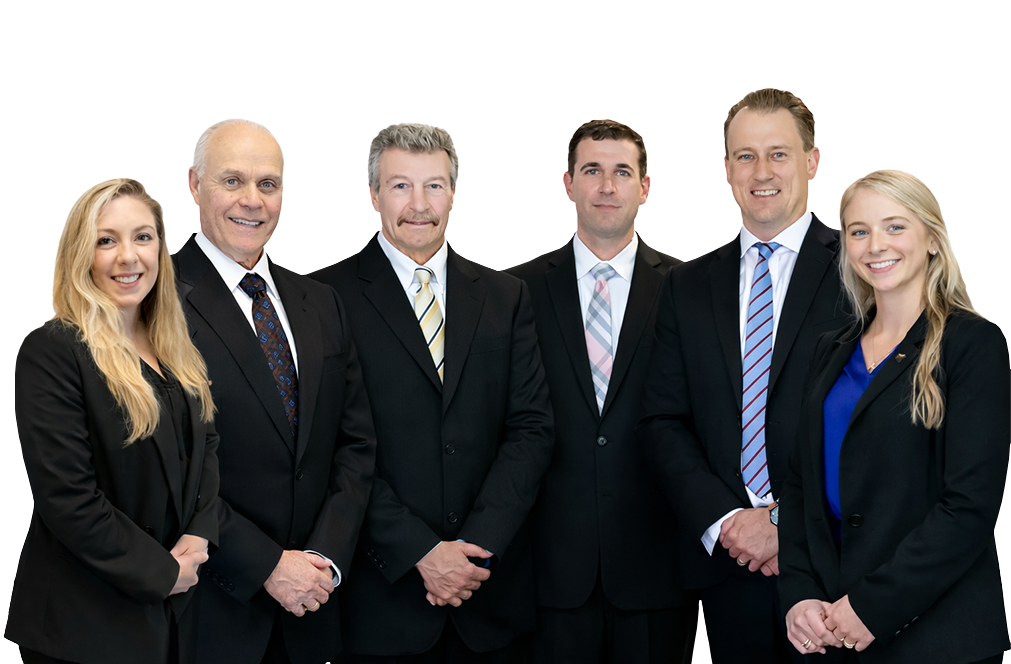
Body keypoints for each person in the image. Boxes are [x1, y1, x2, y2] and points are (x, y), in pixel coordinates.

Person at [309, 122, 554, 663]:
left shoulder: (505, 295)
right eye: (400, 186)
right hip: (381, 600)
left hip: (490, 597)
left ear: (453, 194)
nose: (418, 205)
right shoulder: (325, 298)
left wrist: (474, 551)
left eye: (434, 186)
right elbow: (329, 445)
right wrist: (419, 551)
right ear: (372, 194)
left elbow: (532, 429)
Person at [635, 88, 851, 663]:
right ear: (727, 167)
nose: (761, 172)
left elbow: (875, 426)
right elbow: (662, 419)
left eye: (778, 154)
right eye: (744, 156)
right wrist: (728, 520)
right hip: (727, 564)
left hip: (837, 564)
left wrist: (783, 520)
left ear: (811, 161)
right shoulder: (687, 286)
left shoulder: (862, 272)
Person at [778, 169, 1011, 664]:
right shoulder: (829, 350)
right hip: (833, 631)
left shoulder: (974, 346)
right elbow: (800, 490)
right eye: (859, 231)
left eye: (895, 226)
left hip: (939, 639)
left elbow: (968, 507)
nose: (874, 245)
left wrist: (871, 606)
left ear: (931, 237)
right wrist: (798, 595)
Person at [175, 118, 377, 664]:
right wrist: (266, 565)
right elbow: (162, 471)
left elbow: (356, 446)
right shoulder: (154, 303)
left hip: (316, 611)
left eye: (268, 184)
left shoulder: (320, 301)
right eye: (232, 181)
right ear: (195, 185)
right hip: (210, 617)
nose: (253, 200)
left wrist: (322, 561)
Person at [506, 119, 696, 663]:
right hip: (548, 570)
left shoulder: (689, 289)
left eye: (621, 172)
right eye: (592, 170)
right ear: (568, 183)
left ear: (645, 186)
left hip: (658, 567)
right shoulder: (516, 292)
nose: (607, 186)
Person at [7, 178, 219, 664]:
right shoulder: (53, 352)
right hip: (85, 626)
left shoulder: (176, 348)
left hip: (174, 613)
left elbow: (207, 447)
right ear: (82, 254)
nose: (129, 256)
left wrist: (198, 537)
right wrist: (163, 572)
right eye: (107, 240)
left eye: (143, 237)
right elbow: (68, 498)